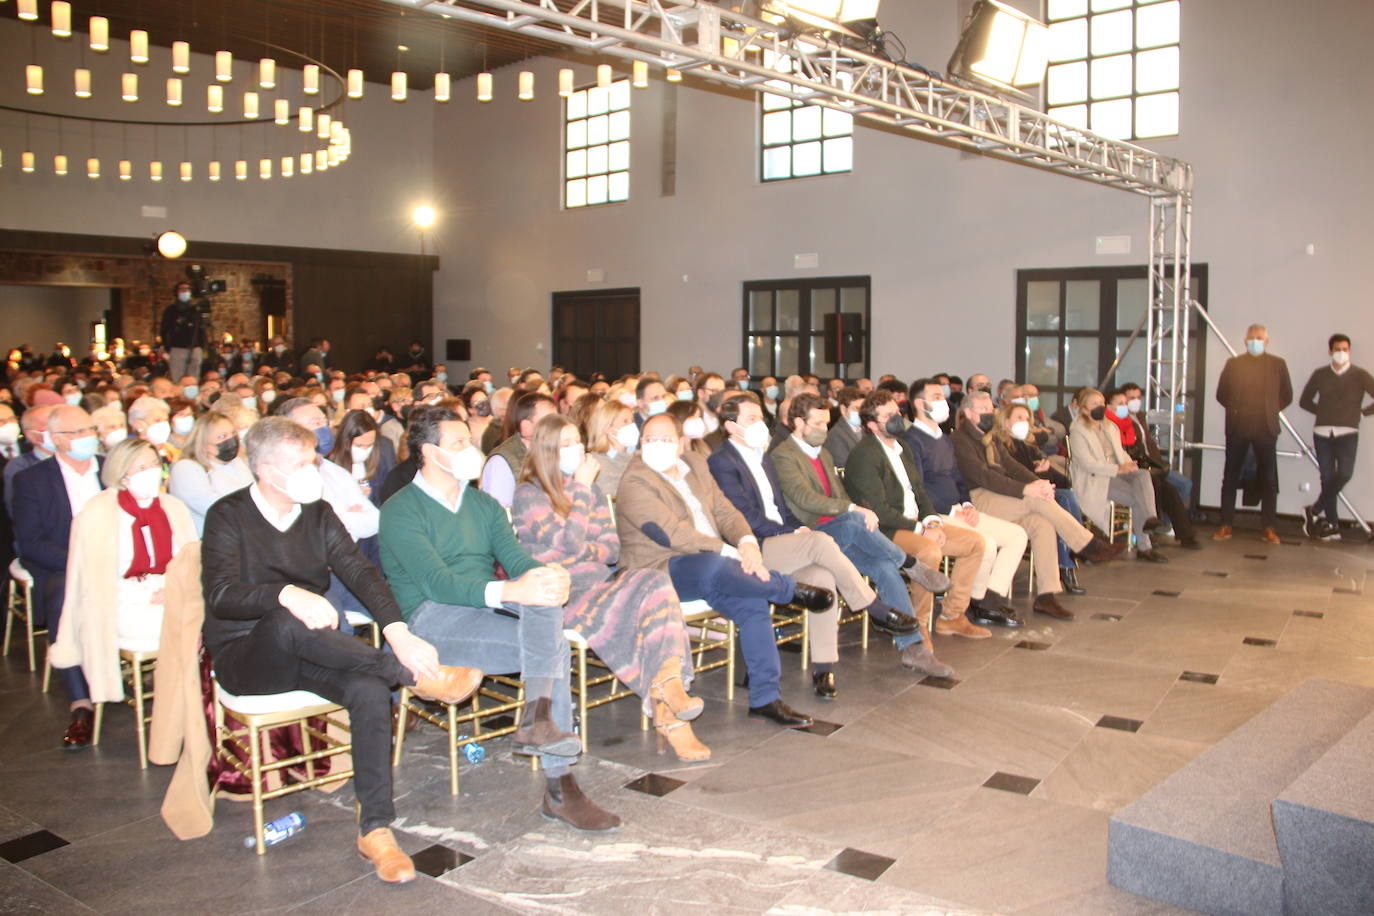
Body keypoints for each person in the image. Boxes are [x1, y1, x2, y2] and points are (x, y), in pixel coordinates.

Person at [203, 416, 483, 882]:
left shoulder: (316, 513)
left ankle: (375, 829)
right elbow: (220, 595)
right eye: (301, 462)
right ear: (268, 471)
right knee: (285, 619)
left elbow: (360, 573)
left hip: (311, 651)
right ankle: (411, 675)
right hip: (248, 656)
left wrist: (397, 629)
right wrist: (284, 594)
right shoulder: (228, 515)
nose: (313, 469)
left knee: (369, 690)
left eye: (313, 458)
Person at [378, 407, 621, 830]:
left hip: (484, 604)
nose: (471, 450)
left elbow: (514, 558)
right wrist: (511, 590)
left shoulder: (483, 504)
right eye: (459, 443)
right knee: (552, 645)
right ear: (430, 452)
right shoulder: (400, 510)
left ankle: (539, 722)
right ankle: (558, 781)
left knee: (543, 596)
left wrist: (544, 574)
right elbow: (437, 583)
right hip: (430, 619)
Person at [616, 413, 832, 728]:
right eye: (648, 439)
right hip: (658, 570)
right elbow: (674, 536)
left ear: (679, 443)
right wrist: (730, 553)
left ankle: (765, 698)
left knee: (752, 600)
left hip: (715, 566)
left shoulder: (695, 464)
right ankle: (787, 589)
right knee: (715, 566)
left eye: (664, 440)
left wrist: (746, 544)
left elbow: (725, 510)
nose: (655, 446)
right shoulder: (635, 480)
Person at [513, 414, 709, 759]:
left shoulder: (588, 490)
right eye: (567, 444)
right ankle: (670, 710)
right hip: (562, 594)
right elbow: (573, 542)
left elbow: (611, 549)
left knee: (656, 581)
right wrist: (582, 492)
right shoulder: (530, 495)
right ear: (546, 451)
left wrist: (577, 544)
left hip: (599, 583)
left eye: (579, 442)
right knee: (637, 610)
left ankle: (667, 685)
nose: (578, 451)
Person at [708, 395, 923, 695]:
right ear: (731, 427)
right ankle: (873, 606)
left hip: (780, 539)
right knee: (821, 541)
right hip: (751, 547)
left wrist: (796, 529)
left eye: (760, 417)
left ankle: (824, 669)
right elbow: (745, 517)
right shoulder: (722, 461)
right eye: (751, 420)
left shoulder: (763, 455)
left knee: (822, 578)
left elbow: (781, 509)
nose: (760, 424)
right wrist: (793, 534)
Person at [50, 439, 197, 710]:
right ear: (121, 473)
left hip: (173, 590)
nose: (152, 472)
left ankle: (187, 695)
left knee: (205, 613)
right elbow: (95, 579)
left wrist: (175, 588)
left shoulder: (172, 507)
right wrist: (148, 594)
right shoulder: (98, 514)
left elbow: (190, 560)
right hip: (122, 600)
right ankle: (182, 698)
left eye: (155, 464)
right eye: (141, 467)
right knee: (187, 622)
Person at [954, 390, 1124, 620]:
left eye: (990, 409)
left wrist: (1038, 483)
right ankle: (1087, 545)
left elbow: (1013, 466)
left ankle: (1047, 595)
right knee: (1036, 499)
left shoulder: (990, 436)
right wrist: (1027, 489)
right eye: (982, 410)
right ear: (968, 413)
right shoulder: (960, 439)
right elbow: (983, 476)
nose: (989, 413)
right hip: (979, 498)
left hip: (1001, 496)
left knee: (1042, 524)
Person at [843, 390, 997, 639]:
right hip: (885, 530)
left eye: (896, 412)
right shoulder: (864, 455)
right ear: (872, 425)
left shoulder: (902, 447)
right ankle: (919, 624)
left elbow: (919, 490)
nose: (896, 418)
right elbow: (878, 510)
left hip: (914, 523)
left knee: (976, 543)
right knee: (929, 550)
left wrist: (932, 520)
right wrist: (921, 530)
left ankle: (952, 616)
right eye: (888, 415)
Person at [904, 380, 1037, 621]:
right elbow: (917, 488)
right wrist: (952, 511)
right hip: (934, 514)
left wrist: (967, 505)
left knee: (1017, 535)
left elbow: (958, 478)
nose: (942, 401)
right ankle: (962, 607)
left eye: (941, 396)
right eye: (935, 396)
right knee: (984, 543)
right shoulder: (911, 440)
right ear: (919, 403)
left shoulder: (944, 439)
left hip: (958, 510)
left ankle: (986, 600)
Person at [12, 405, 104, 747]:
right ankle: (80, 701)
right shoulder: (32, 480)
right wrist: (81, 562)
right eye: (77, 433)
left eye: (90, 429)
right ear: (55, 440)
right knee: (64, 595)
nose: (86, 438)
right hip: (63, 565)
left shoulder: (108, 470)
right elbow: (31, 541)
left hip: (117, 560)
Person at [995, 402, 1091, 591]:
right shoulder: (1001, 447)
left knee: (1067, 495)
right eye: (1019, 418)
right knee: (1063, 500)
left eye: (1028, 419)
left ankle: (1070, 559)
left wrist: (1044, 471)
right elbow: (1011, 478)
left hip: (1040, 493)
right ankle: (1069, 562)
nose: (1025, 423)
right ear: (1006, 422)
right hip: (1017, 497)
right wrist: (1039, 476)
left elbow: (1057, 481)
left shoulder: (1028, 445)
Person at [1214, 324, 1293, 543]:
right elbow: (1221, 394)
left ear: (1267, 341)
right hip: (1238, 428)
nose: (1255, 341)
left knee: (1269, 480)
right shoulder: (1234, 364)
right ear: (1245, 340)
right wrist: (1236, 410)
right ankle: (1225, 525)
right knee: (1229, 478)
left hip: (1266, 429)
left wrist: (1269, 410)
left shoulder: (1278, 364)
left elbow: (1287, 395)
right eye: (1252, 338)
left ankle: (1269, 528)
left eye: (1259, 338)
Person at [1298, 334, 1374, 539]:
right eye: (1337, 349)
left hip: (1348, 434)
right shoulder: (1320, 374)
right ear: (1330, 351)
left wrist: (1363, 412)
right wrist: (1323, 412)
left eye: (1345, 349)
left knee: (1345, 474)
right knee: (1327, 478)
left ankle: (1313, 510)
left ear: (1350, 351)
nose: (1341, 353)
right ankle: (1332, 525)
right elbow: (1304, 401)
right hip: (1322, 434)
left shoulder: (1360, 375)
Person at [1104, 389, 1199, 550]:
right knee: (1155, 483)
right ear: (1109, 406)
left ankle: (1183, 533)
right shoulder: (1107, 425)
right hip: (1120, 470)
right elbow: (1116, 453)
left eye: (1125, 403)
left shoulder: (1130, 422)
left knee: (1170, 489)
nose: (1125, 406)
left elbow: (1141, 447)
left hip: (1138, 465)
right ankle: (1153, 529)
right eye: (1121, 403)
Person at [167, 412, 253, 534]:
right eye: (222, 436)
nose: (231, 439)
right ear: (204, 444)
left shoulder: (237, 462)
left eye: (233, 433)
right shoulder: (186, 468)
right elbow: (217, 508)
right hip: (209, 542)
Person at [481, 391, 556, 508]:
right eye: (548, 422)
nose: (556, 427)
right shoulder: (501, 462)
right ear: (526, 426)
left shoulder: (554, 451)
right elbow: (500, 514)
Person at [327, 409, 396, 507]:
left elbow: (390, 495)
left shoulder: (383, 454)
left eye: (369, 445)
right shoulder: (330, 466)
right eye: (359, 445)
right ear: (345, 442)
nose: (365, 450)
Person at [585, 397, 639, 495]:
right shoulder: (597, 463)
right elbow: (613, 497)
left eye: (632, 421)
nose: (631, 425)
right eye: (625, 421)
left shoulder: (637, 455)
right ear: (608, 428)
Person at [158, 282, 207, 382]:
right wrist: (167, 346)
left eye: (187, 289)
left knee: (194, 378)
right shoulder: (171, 310)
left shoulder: (196, 310)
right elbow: (164, 329)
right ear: (177, 292)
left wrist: (202, 346)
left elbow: (201, 329)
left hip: (195, 348)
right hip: (177, 348)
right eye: (182, 289)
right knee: (178, 378)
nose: (185, 291)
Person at [824, 386, 866, 468]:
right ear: (843, 409)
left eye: (863, 409)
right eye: (856, 408)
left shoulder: (866, 429)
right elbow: (844, 467)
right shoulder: (835, 436)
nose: (861, 413)